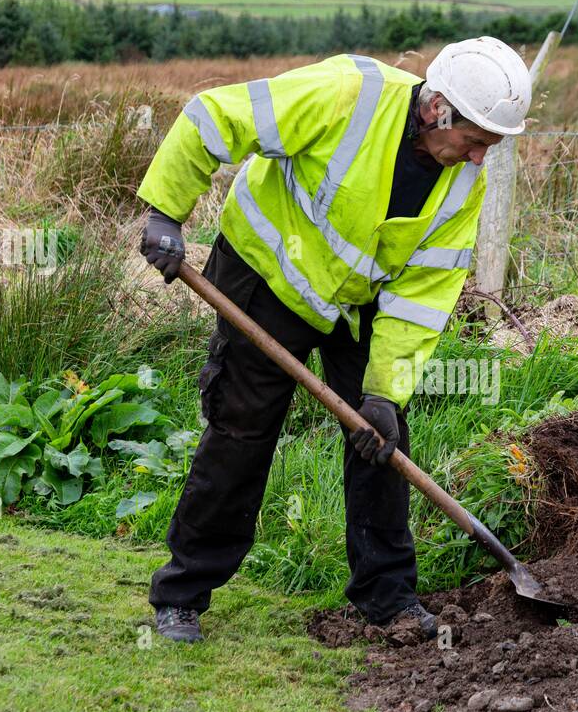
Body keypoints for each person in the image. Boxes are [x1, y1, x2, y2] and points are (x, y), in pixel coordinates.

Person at [137, 37, 532, 643]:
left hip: (356, 303)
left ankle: (389, 598)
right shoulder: (348, 93)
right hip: (267, 275)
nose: (480, 159)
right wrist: (166, 211)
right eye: (476, 142)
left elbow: (423, 294)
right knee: (242, 428)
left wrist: (383, 389)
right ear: (438, 110)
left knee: (381, 438)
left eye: (490, 148)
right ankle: (182, 593)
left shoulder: (461, 183)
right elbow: (214, 116)